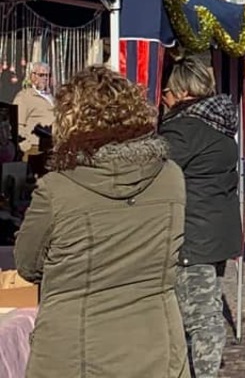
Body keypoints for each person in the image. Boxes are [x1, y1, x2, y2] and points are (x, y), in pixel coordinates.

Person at [15, 65, 187, 378]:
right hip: (156, 339)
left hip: (74, 348)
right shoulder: (171, 176)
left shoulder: (57, 189)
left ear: (70, 119)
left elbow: (28, 264)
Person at [160, 57, 242, 378]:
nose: (163, 99)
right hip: (218, 229)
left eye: (166, 93)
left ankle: (202, 372)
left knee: (199, 315)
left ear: (181, 92)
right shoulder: (219, 122)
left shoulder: (185, 128)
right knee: (206, 305)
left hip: (193, 233)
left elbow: (157, 168)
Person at [13, 61, 55, 155]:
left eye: (48, 75)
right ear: (33, 76)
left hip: (51, 146)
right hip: (34, 147)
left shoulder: (50, 96)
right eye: (41, 75)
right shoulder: (24, 96)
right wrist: (25, 146)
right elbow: (17, 123)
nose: (45, 78)